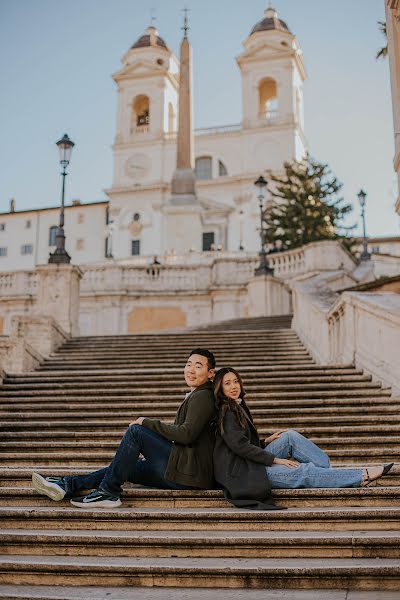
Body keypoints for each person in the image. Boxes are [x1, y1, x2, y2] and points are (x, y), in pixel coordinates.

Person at [32, 348, 216, 508]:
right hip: (186, 474)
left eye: (198, 366)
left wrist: (147, 423)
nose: (191, 370)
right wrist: (153, 446)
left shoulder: (203, 396)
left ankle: (108, 492)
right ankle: (67, 485)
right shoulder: (197, 395)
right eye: (188, 364)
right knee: (129, 466)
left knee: (136, 432)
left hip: (188, 474)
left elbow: (186, 435)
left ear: (210, 373)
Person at [213, 367, 394, 510]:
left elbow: (238, 442)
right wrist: (276, 459)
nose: (234, 386)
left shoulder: (237, 405)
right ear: (220, 388)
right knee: (302, 471)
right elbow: (239, 447)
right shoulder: (226, 410)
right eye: (227, 383)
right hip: (243, 474)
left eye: (236, 381)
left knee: (289, 436)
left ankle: (329, 475)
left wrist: (264, 442)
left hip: (249, 463)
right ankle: (361, 475)